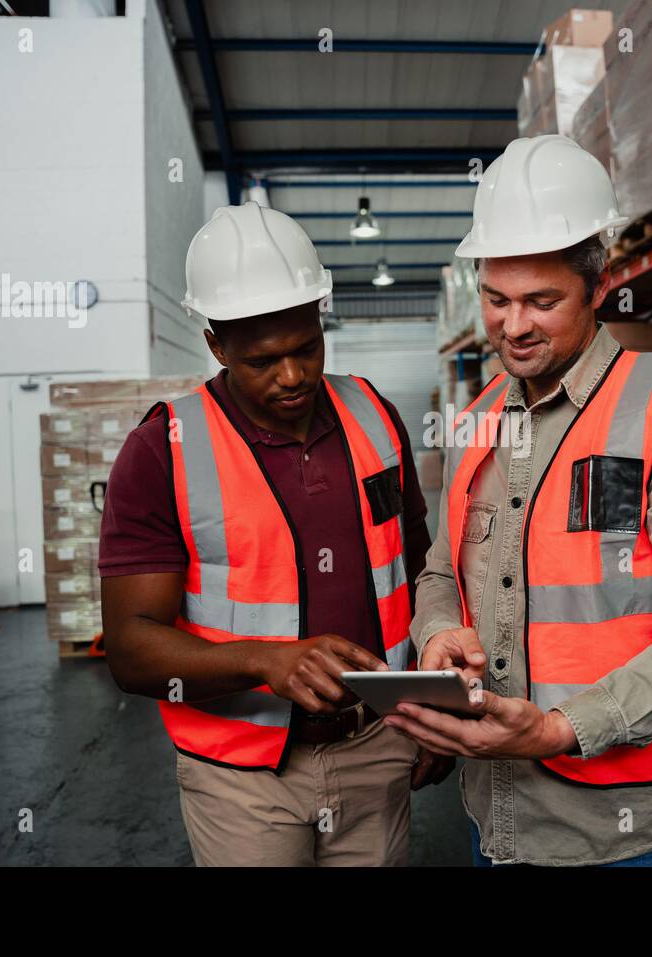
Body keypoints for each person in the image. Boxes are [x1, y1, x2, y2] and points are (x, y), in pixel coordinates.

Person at [385, 135, 652, 866]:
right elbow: (439, 575)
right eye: (495, 300)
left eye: (541, 301)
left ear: (599, 283)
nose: (514, 326)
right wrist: (437, 637)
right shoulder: (477, 426)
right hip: (496, 817)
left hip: (630, 833)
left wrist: (562, 726)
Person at [100, 202, 450, 867]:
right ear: (216, 344)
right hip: (242, 777)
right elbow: (131, 648)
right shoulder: (163, 449)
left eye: (306, 348)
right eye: (263, 360)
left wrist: (429, 708)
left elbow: (419, 571)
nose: (293, 376)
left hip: (376, 748)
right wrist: (266, 660)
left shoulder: (374, 415)